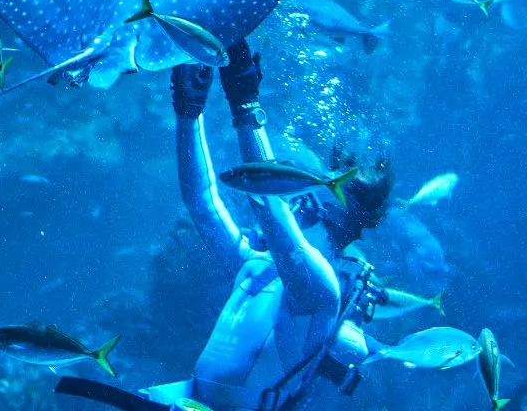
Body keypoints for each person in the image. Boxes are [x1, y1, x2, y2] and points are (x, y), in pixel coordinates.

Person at [56, 40, 393, 411]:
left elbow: (272, 211)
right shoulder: (259, 266)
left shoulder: (320, 291)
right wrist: (189, 109)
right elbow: (202, 204)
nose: (300, 192)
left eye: (311, 190)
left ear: (332, 213)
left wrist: (247, 107)